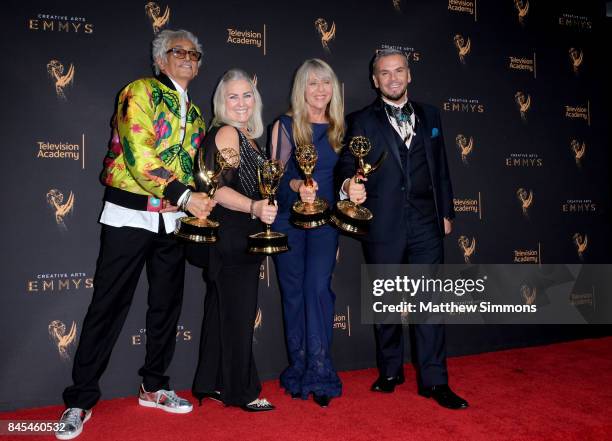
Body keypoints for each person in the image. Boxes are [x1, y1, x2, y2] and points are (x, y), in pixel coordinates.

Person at [55, 29, 215, 440]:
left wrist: (203, 197)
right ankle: (80, 398)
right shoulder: (139, 92)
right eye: (178, 52)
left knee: (166, 307)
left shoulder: (196, 113)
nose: (187, 59)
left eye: (194, 54)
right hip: (128, 216)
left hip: (172, 223)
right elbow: (138, 152)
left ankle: (155, 386)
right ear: (161, 60)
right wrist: (184, 196)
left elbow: (196, 167)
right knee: (108, 305)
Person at [338, 48, 468, 409]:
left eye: (399, 71)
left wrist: (447, 211)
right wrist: (350, 185)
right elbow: (348, 163)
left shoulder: (431, 114)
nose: (393, 78)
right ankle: (391, 370)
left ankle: (435, 381)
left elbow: (441, 167)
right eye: (385, 73)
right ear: (375, 79)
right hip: (384, 223)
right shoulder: (361, 120)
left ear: (409, 74)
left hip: (426, 221)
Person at [189, 69, 277, 412]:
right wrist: (255, 205)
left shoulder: (249, 137)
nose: (241, 103)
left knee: (221, 312)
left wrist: (264, 202)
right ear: (221, 102)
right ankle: (242, 391)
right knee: (239, 315)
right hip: (232, 235)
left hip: (239, 233)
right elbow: (218, 188)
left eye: (247, 95)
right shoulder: (227, 132)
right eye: (233, 96)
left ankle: (210, 384)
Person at [270, 59, 344, 407]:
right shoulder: (285, 126)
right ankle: (299, 368)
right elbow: (275, 182)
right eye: (312, 83)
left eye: (325, 83)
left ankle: (319, 369)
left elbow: (345, 181)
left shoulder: (341, 129)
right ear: (302, 88)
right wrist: (298, 184)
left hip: (325, 223)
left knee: (317, 289)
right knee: (294, 293)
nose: (320, 90)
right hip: (288, 220)